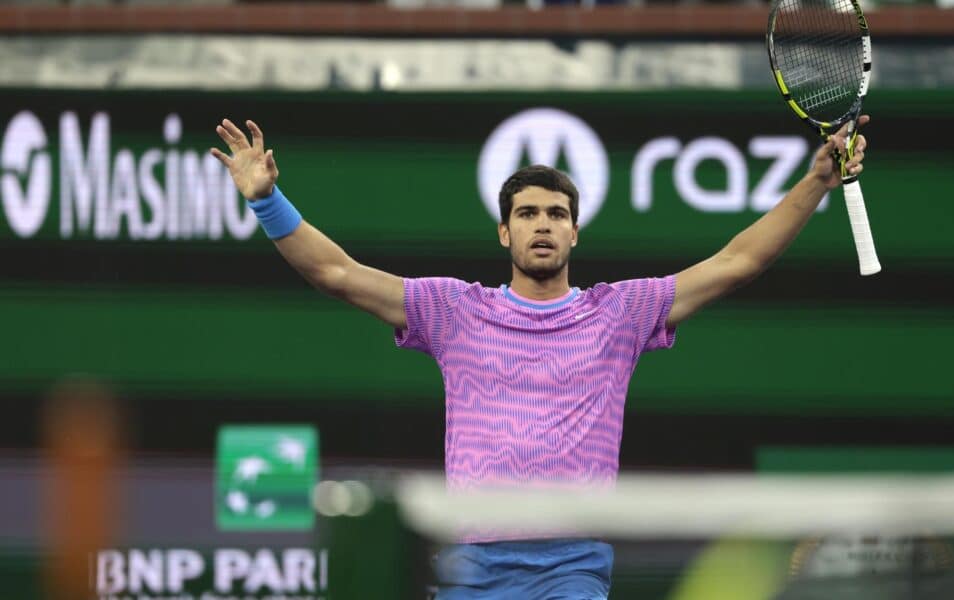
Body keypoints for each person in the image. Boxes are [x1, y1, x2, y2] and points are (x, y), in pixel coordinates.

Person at [211, 116, 868, 599]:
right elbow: (338, 273)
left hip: (572, 569)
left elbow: (739, 262)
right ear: (505, 231)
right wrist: (266, 200)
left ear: (575, 230)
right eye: (527, 213)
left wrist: (814, 183)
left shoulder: (621, 312)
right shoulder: (453, 310)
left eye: (556, 213)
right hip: (470, 565)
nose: (543, 224)